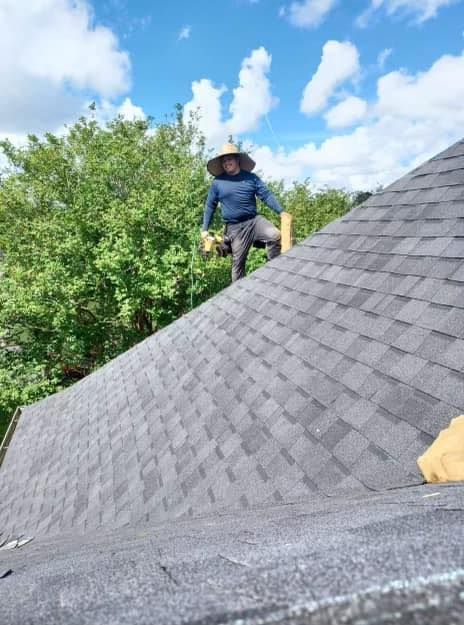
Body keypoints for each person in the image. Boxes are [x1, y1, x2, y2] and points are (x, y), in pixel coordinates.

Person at [201, 143, 289, 282]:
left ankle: (273, 273)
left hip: (254, 221)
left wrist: (281, 211)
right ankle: (238, 293)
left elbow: (266, 195)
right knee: (237, 266)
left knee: (275, 235)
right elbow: (210, 205)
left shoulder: (251, 178)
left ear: (237, 160)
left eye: (229, 159)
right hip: (235, 228)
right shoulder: (218, 182)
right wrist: (204, 229)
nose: (226, 163)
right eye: (224, 161)